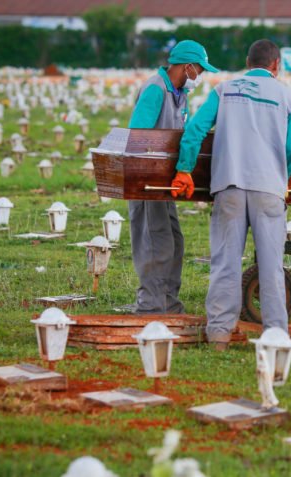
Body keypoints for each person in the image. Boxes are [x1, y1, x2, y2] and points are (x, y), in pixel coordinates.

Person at [172, 39, 291, 350]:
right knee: (271, 266)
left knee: (225, 262)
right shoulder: (287, 95)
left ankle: (218, 335)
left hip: (228, 184)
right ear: (276, 66)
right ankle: (276, 337)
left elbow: (195, 130)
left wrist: (184, 168)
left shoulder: (224, 90)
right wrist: (281, 175)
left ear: (248, 62)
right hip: (269, 188)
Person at [126, 40, 219, 315]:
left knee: (174, 242)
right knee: (156, 243)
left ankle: (168, 303)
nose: (199, 77)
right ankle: (151, 307)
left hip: (163, 181)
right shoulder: (156, 88)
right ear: (187, 66)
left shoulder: (179, 93)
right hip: (146, 180)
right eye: (199, 71)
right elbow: (139, 136)